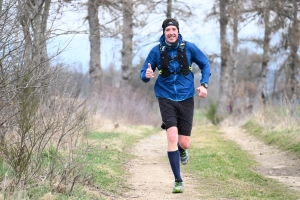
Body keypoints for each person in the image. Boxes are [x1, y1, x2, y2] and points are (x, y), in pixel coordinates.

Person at [140, 18, 211, 193]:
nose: (171, 33)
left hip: (186, 96)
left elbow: (205, 64)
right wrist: (147, 74)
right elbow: (143, 74)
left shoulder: (189, 47)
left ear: (178, 31)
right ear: (163, 32)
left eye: (174, 29)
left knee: (184, 143)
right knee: (172, 136)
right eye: (167, 30)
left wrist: (204, 84)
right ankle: (178, 180)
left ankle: (181, 150)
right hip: (165, 97)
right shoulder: (156, 51)